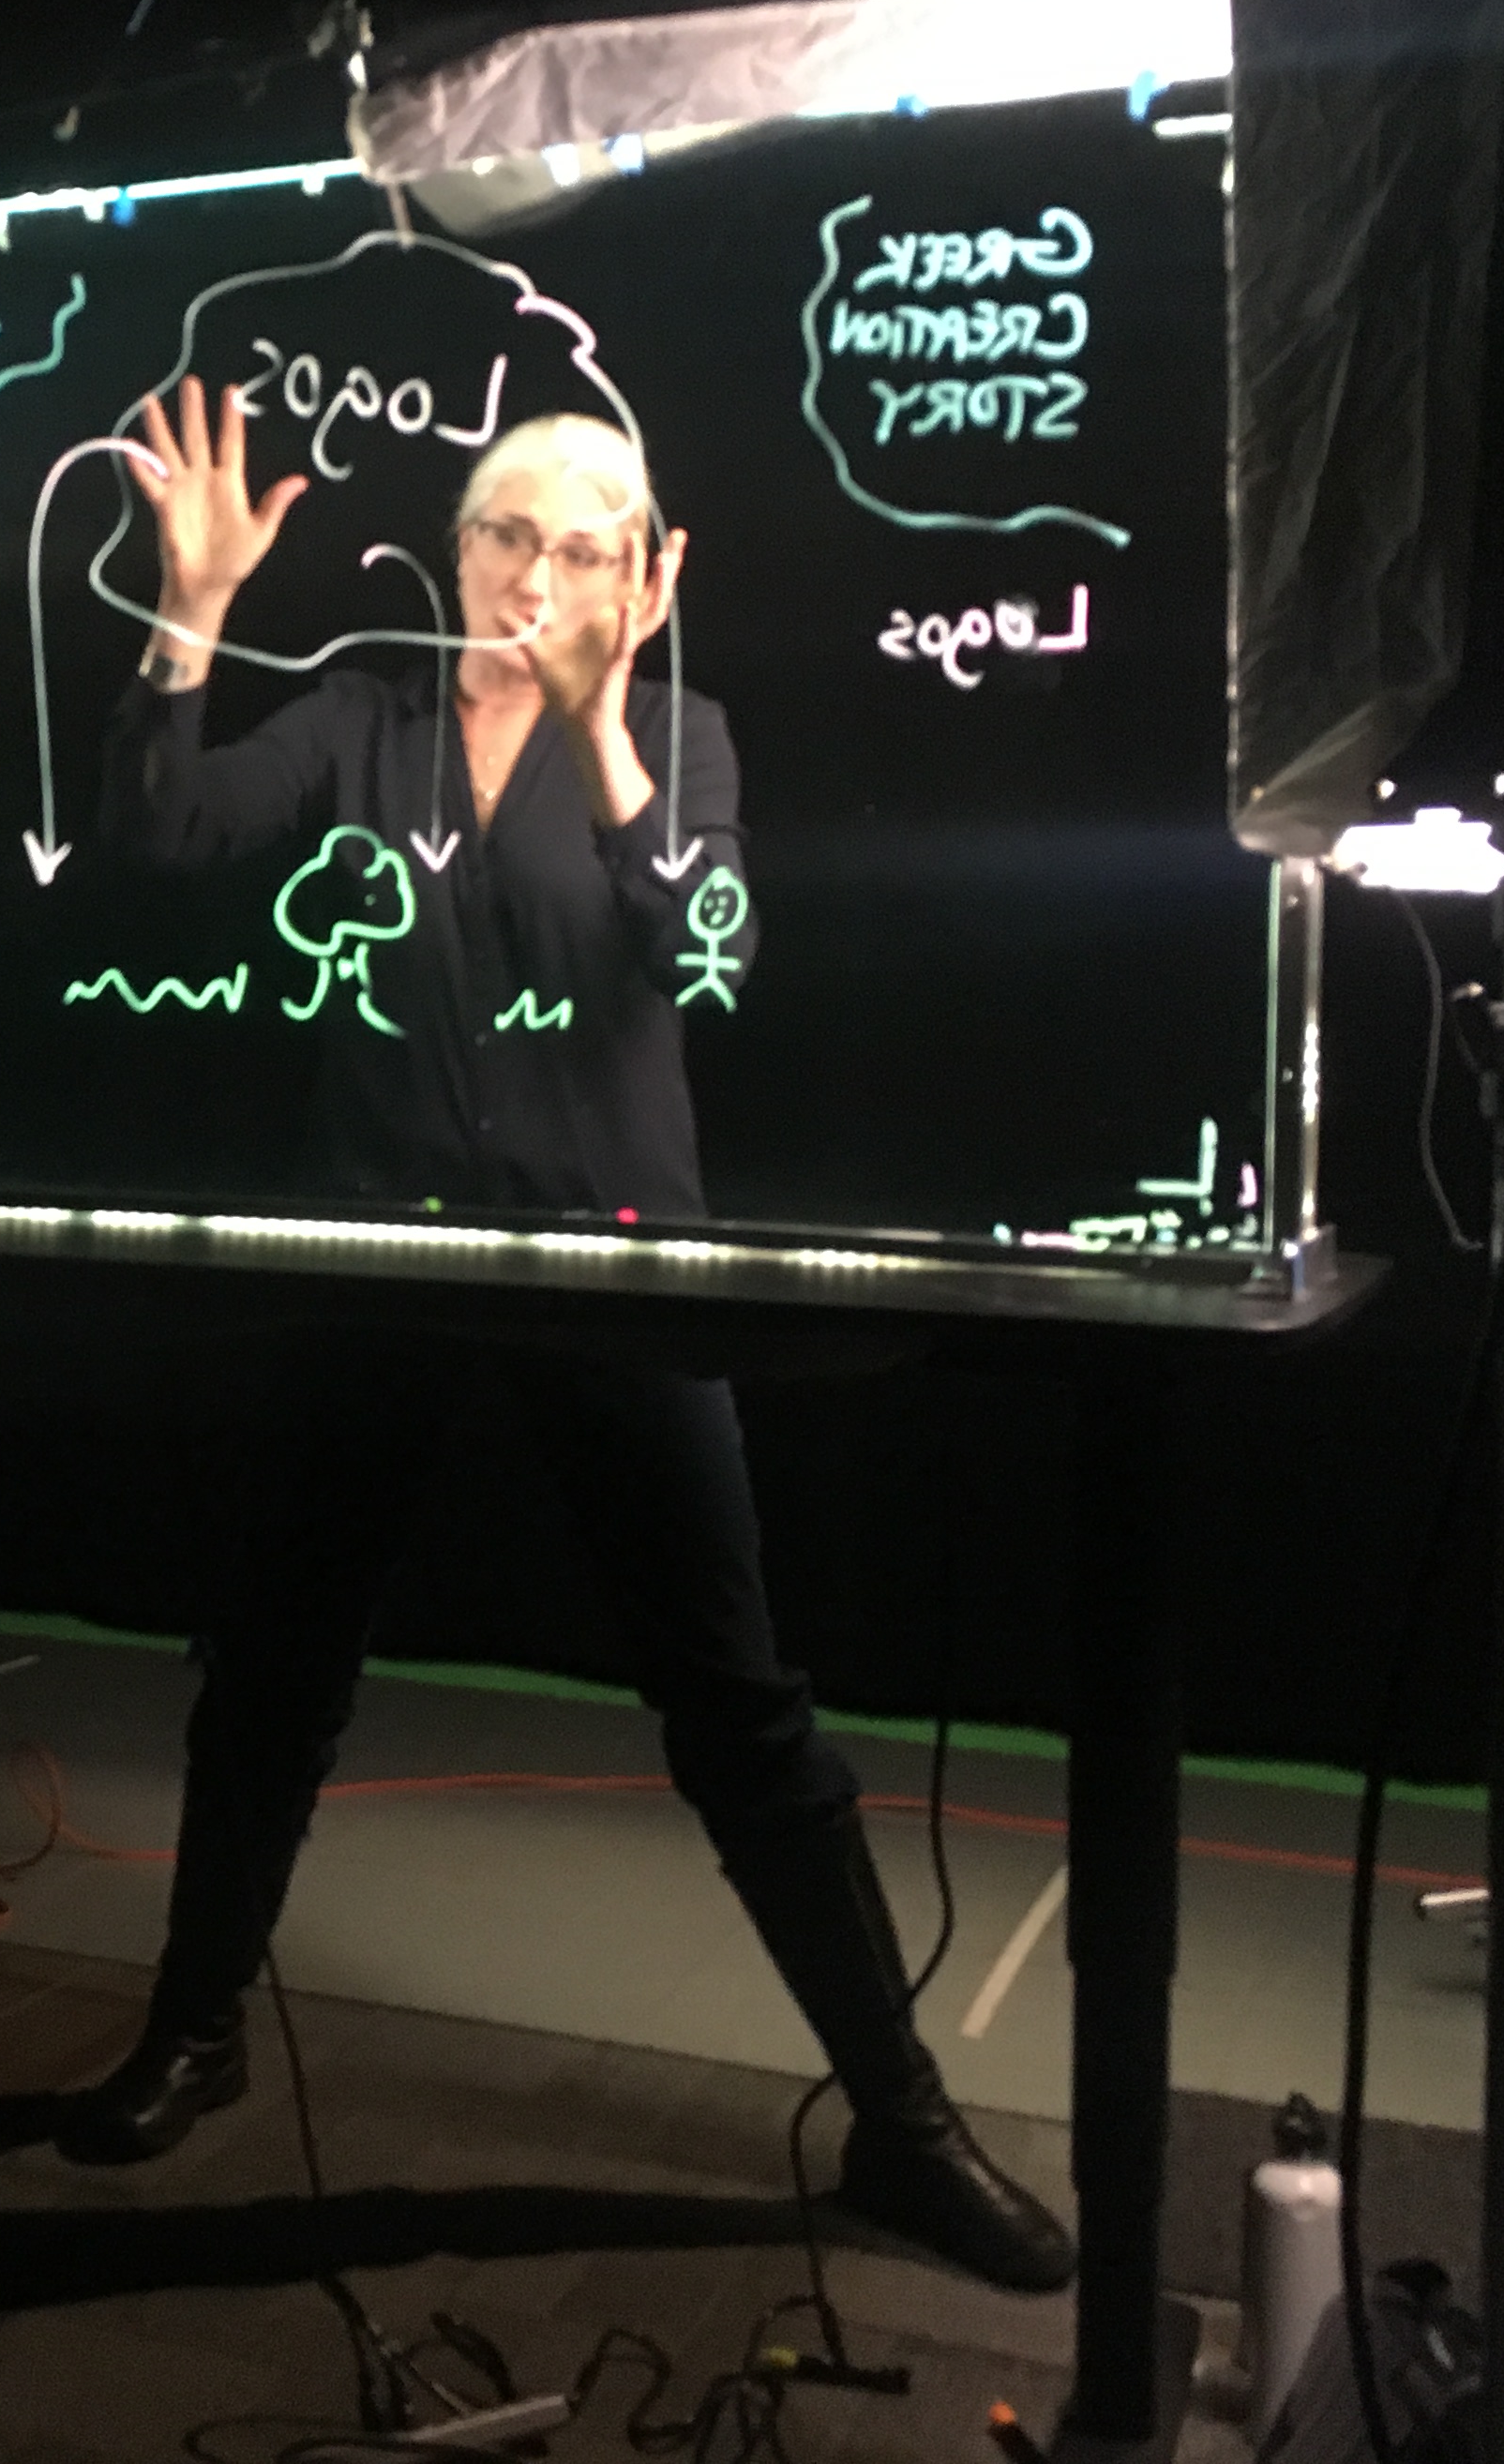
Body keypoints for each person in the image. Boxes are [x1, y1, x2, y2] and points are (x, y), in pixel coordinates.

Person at [62, 377, 1073, 2297]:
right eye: (509, 533)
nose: (542, 570)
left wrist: (608, 724)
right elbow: (162, 840)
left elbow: (709, 955)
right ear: (452, 556)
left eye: (587, 540)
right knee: (270, 1676)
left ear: (644, 574)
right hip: (373, 1273)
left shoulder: (679, 735)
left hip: (616, 1280)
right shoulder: (358, 721)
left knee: (740, 1712)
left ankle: (903, 2122)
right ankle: (189, 2034)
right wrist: (189, 613)